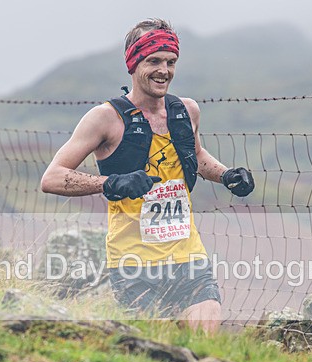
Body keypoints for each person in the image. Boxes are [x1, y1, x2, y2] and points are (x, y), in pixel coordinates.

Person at [41, 18, 255, 333]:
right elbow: (52, 178)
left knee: (206, 338)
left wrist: (228, 175)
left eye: (171, 62)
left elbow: (195, 156)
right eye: (153, 61)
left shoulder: (186, 111)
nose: (163, 70)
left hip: (187, 255)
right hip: (132, 262)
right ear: (133, 63)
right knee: (161, 348)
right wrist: (111, 183)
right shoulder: (105, 118)